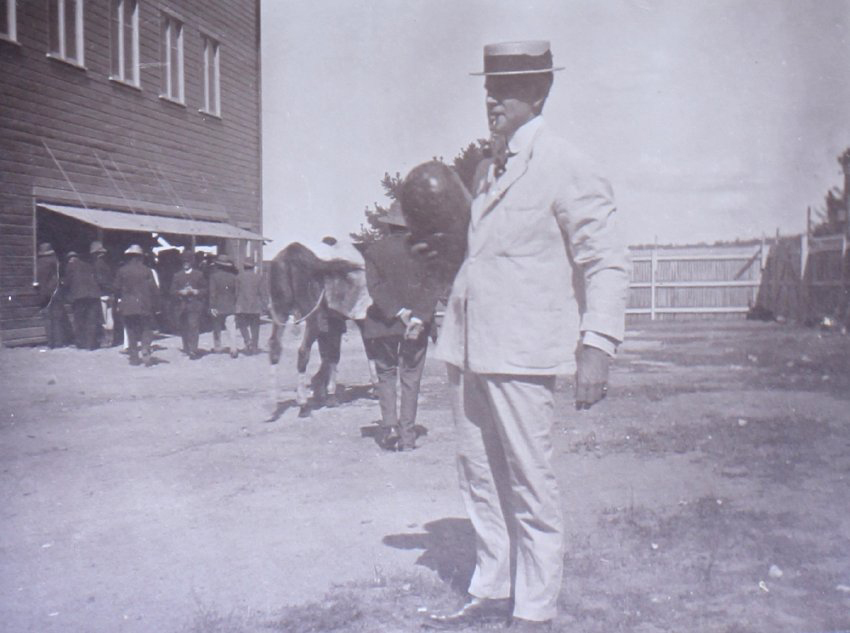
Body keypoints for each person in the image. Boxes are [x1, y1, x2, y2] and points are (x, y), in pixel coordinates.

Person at [422, 41, 630, 630]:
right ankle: (493, 588)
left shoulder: (567, 163)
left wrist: (598, 344)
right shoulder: (488, 171)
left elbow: (606, 259)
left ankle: (535, 610)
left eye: (508, 87)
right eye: (489, 86)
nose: (493, 97)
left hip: (522, 351)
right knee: (478, 472)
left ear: (539, 93)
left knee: (529, 479)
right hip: (467, 346)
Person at [362, 203, 443, 451]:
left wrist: (399, 312)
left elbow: (375, 288)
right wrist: (417, 317)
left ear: (387, 225)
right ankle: (408, 436)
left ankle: (390, 427)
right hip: (417, 326)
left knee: (386, 375)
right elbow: (433, 286)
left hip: (383, 323)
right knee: (411, 378)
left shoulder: (374, 251)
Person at [114, 244, 161, 367]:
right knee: (146, 328)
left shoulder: (121, 270)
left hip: (128, 306)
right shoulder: (147, 270)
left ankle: (134, 357)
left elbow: (116, 288)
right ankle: (145, 348)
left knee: (131, 331)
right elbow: (154, 289)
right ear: (141, 257)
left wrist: (121, 300)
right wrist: (157, 305)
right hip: (144, 305)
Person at [170, 250, 207, 359]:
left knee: (193, 326)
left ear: (192, 262)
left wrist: (196, 291)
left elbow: (205, 289)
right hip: (181, 306)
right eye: (184, 262)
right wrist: (180, 292)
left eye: (188, 262)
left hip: (195, 305)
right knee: (184, 327)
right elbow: (172, 291)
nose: (186, 264)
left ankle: (193, 349)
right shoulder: (177, 275)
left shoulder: (199, 274)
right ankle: (186, 347)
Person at [62, 250, 102, 350]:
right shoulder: (88, 265)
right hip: (93, 295)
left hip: (79, 297)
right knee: (91, 320)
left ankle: (80, 343)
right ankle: (90, 345)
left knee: (79, 320)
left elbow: (67, 282)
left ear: (70, 259)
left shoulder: (69, 266)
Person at [35, 242, 70, 348]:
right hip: (55, 292)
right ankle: (58, 342)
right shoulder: (55, 261)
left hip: (44, 293)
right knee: (57, 318)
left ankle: (51, 342)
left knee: (47, 318)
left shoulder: (39, 263)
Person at [208, 254, 239, 358]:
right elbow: (236, 293)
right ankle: (233, 348)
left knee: (216, 327)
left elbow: (212, 293)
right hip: (230, 305)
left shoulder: (214, 276)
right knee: (231, 328)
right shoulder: (234, 277)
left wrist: (212, 306)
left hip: (217, 305)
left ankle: (218, 347)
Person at [235, 260, 267, 355]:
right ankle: (255, 346)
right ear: (253, 267)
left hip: (242, 305)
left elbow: (236, 293)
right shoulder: (259, 277)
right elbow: (262, 292)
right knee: (255, 326)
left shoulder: (239, 277)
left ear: (244, 267)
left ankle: (247, 340)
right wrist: (265, 304)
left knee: (242, 325)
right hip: (255, 306)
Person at [90, 241, 114, 347]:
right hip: (110, 293)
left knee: (103, 319)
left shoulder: (97, 264)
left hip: (102, 293)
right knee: (110, 317)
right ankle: (111, 339)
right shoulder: (107, 263)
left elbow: (99, 280)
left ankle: (105, 340)